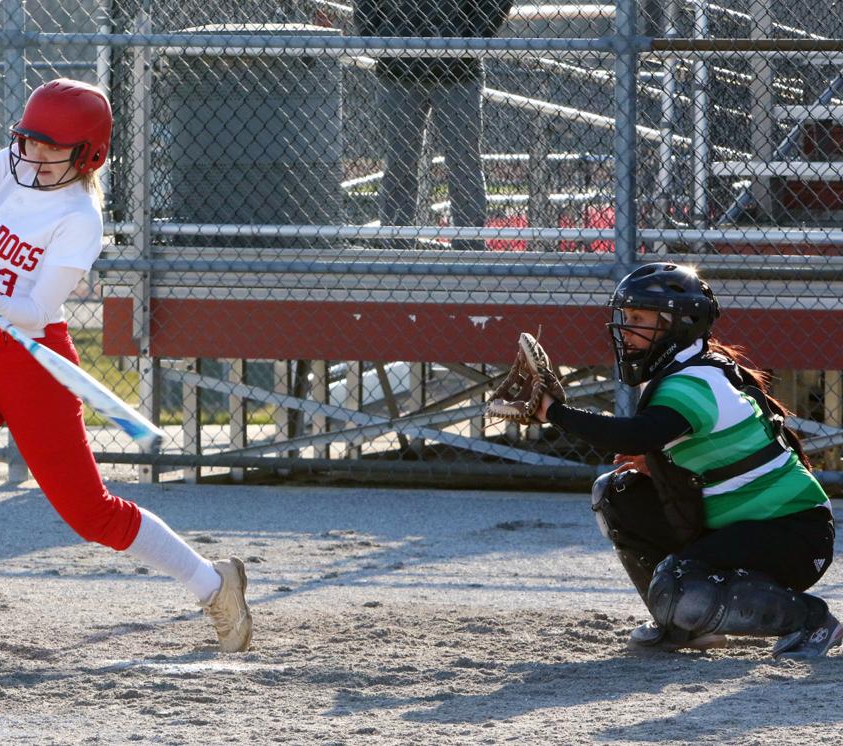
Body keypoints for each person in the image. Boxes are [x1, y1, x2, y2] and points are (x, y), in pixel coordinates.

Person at [0, 79, 252, 666]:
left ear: (87, 156)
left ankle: (213, 584)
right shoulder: (10, 167)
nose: (33, 156)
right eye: (28, 141)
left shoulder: (79, 218)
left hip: (32, 360)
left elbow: (34, 312)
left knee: (90, 513)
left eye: (50, 148)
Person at [533, 262, 838, 658]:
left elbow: (635, 434)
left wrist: (553, 412)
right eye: (625, 318)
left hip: (793, 533)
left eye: (639, 319)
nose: (626, 329)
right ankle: (681, 627)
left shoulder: (694, 382)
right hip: (741, 523)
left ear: (677, 325)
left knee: (679, 584)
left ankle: (812, 621)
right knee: (617, 493)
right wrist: (657, 465)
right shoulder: (688, 370)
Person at [354, 0, 512, 250]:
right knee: (400, 160)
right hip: (398, 69)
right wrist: (379, 38)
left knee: (463, 162)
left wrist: (468, 41)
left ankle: (469, 247)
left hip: (458, 72)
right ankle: (397, 245)